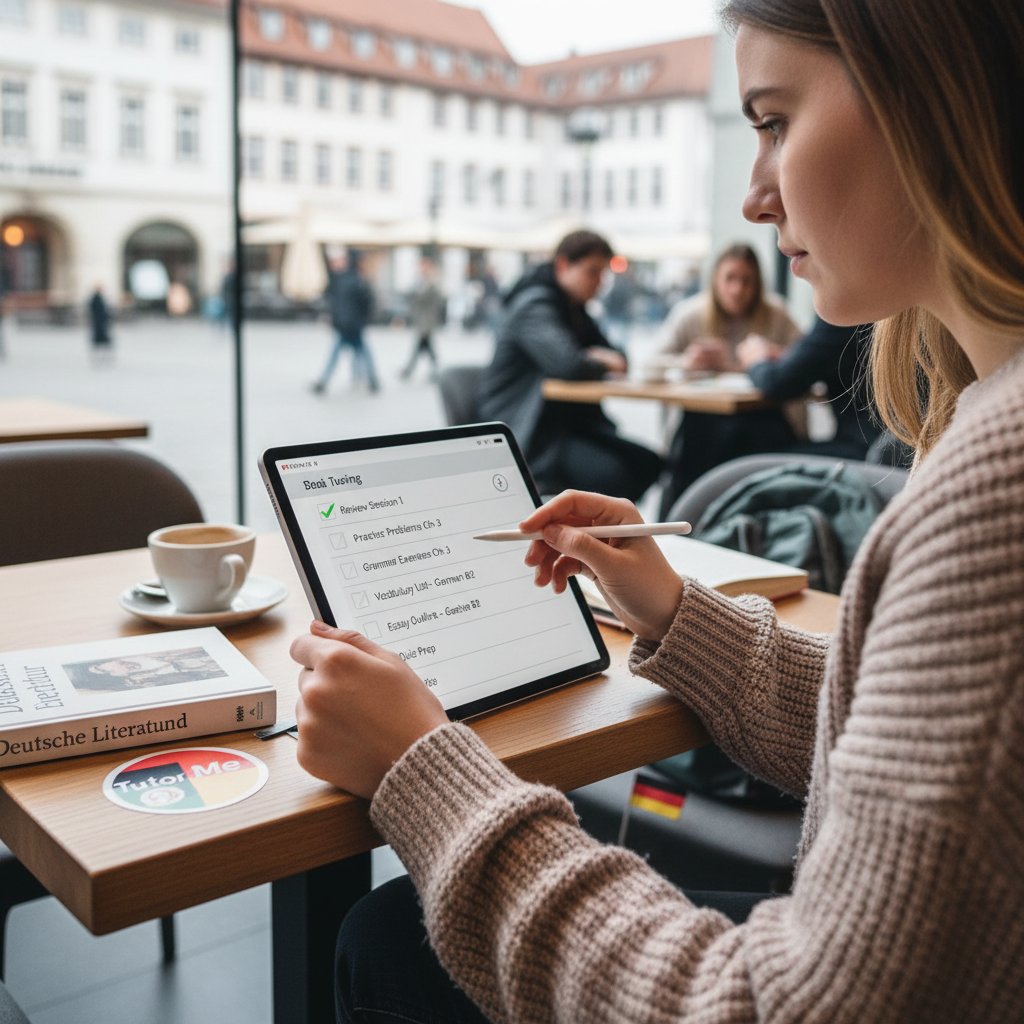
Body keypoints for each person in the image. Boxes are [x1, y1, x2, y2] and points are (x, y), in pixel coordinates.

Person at [291, 1, 1024, 1021]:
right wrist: (674, 610)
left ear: (935, 96)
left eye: (772, 121)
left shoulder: (995, 488)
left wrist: (425, 770)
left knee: (382, 936)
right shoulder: (988, 426)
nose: (755, 198)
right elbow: (908, 749)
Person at [477, 230, 662, 501]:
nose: (600, 283)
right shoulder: (535, 304)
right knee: (614, 474)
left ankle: (602, 530)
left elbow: (618, 357)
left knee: (649, 462)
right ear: (563, 265)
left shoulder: (574, 309)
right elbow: (569, 365)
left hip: (567, 425)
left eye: (603, 274)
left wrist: (597, 357)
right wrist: (597, 358)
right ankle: (591, 532)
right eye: (592, 272)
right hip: (529, 431)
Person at [656, 243, 804, 516]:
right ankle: (686, 521)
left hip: (762, 417)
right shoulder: (690, 314)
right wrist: (686, 363)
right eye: (730, 279)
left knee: (741, 437)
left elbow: (802, 363)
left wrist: (745, 363)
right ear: (715, 280)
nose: (737, 289)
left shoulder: (777, 316)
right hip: (703, 418)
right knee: (698, 439)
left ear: (757, 284)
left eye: (746, 281)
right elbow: (655, 363)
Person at [736, 316, 882, 460]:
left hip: (865, 452)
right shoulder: (879, 311)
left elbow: (777, 383)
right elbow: (808, 360)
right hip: (882, 449)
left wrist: (756, 360)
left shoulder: (846, 315)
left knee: (746, 450)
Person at [312, 250, 379, 395]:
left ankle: (324, 381)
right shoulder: (356, 280)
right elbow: (367, 302)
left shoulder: (342, 279)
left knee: (340, 354)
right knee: (362, 353)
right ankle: (372, 380)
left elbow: (336, 302)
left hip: (345, 324)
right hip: (353, 324)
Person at [399, 256, 445, 381]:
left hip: (427, 320)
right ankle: (432, 371)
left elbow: (433, 300)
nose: (420, 269)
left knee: (424, 347)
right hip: (421, 320)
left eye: (423, 266)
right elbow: (412, 297)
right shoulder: (419, 282)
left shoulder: (431, 282)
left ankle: (410, 370)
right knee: (427, 348)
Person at [87, 284, 113, 360]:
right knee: (99, 338)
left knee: (103, 338)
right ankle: (99, 354)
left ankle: (103, 354)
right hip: (98, 322)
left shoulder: (100, 298)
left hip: (101, 321)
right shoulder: (95, 299)